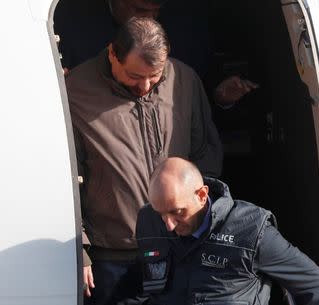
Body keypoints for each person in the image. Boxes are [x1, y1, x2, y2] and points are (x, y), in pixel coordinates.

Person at [66, 17, 223, 304]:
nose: (147, 85)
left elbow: (205, 155)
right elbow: (64, 179)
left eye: (155, 75)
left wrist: (203, 226)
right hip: (113, 258)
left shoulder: (184, 80)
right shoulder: (75, 91)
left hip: (181, 249)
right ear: (113, 53)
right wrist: (80, 250)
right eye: (135, 76)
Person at [136, 157, 319, 305]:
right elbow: (138, 284)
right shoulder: (148, 220)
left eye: (177, 212)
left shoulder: (251, 231)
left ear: (202, 195)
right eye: (160, 213)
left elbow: (313, 283)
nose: (168, 224)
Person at [54, 0, 258, 107]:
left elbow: (199, 73)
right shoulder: (69, 19)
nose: (151, 19)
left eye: (156, 11)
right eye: (141, 10)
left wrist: (220, 95)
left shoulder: (184, 22)